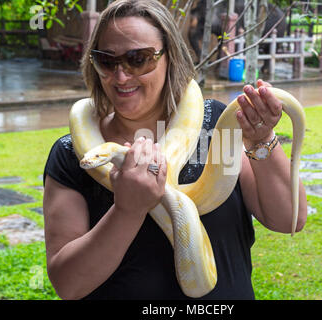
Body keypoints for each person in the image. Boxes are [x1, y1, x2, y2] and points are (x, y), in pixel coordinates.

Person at [43, 0, 307, 300]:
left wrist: (261, 140)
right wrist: (127, 210)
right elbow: (68, 284)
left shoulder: (215, 126)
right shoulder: (73, 154)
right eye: (106, 60)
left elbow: (289, 220)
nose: (121, 76)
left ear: (170, 58)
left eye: (138, 58)